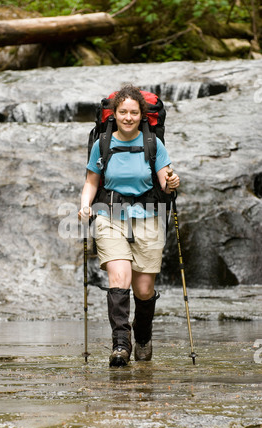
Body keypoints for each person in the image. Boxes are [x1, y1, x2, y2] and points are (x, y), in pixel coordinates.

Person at [79, 85, 180, 367]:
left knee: (144, 289)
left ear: (141, 115)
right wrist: (86, 205)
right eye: (122, 112)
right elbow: (91, 181)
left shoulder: (153, 144)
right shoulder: (102, 143)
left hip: (148, 217)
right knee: (119, 278)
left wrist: (172, 182)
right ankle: (121, 345)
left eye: (133, 112)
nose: (127, 117)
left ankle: (143, 336)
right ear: (114, 114)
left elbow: (165, 180)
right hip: (109, 216)